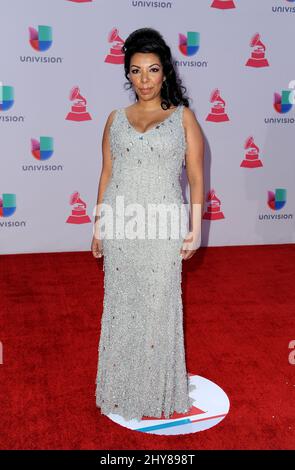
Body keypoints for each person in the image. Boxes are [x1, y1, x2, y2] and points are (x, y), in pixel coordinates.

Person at [91, 27, 204, 422]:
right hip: (122, 222)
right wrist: (99, 225)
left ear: (165, 73)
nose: (144, 80)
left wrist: (196, 227)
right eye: (136, 71)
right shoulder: (114, 118)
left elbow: (195, 176)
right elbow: (107, 173)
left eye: (153, 70)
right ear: (127, 74)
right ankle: (120, 385)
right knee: (123, 304)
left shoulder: (182, 117)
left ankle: (156, 388)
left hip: (162, 224)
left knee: (158, 305)